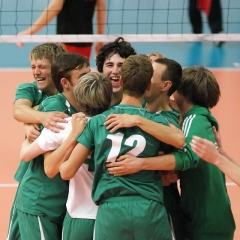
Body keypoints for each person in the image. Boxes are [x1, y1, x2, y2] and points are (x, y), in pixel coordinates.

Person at [59, 54, 186, 240]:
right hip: (149, 209)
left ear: (121, 80)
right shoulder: (155, 121)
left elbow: (66, 172)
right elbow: (179, 139)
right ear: (148, 85)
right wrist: (139, 120)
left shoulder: (97, 122)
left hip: (111, 213)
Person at [106, 65, 236, 239]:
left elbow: (187, 156)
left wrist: (141, 164)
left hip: (206, 220)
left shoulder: (194, 119)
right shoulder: (199, 118)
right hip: (207, 218)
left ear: (183, 92)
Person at [20, 72, 112, 239]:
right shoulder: (118, 125)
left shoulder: (63, 125)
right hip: (113, 214)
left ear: (79, 96)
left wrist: (28, 127)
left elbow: (26, 155)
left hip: (79, 216)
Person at [12, 52, 90, 240]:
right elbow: (49, 166)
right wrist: (33, 121)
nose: (89, 80)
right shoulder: (56, 106)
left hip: (63, 199)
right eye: (83, 76)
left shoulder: (82, 103)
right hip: (41, 201)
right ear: (65, 83)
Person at [7, 42, 69, 240]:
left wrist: (31, 117)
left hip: (64, 177)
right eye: (33, 66)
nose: (36, 72)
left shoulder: (68, 93)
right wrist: (40, 117)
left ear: (57, 67)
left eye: (42, 66)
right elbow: (18, 110)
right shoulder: (30, 90)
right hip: (33, 176)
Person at [16, 0, 106, 59]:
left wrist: (29, 32)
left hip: (66, 40)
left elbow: (55, 6)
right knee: (79, 79)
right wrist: (99, 38)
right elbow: (101, 7)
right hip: (86, 41)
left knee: (65, 80)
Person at [96, 36, 137, 106]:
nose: (115, 71)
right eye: (110, 65)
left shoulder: (140, 105)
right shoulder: (91, 102)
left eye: (121, 65)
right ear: (101, 69)